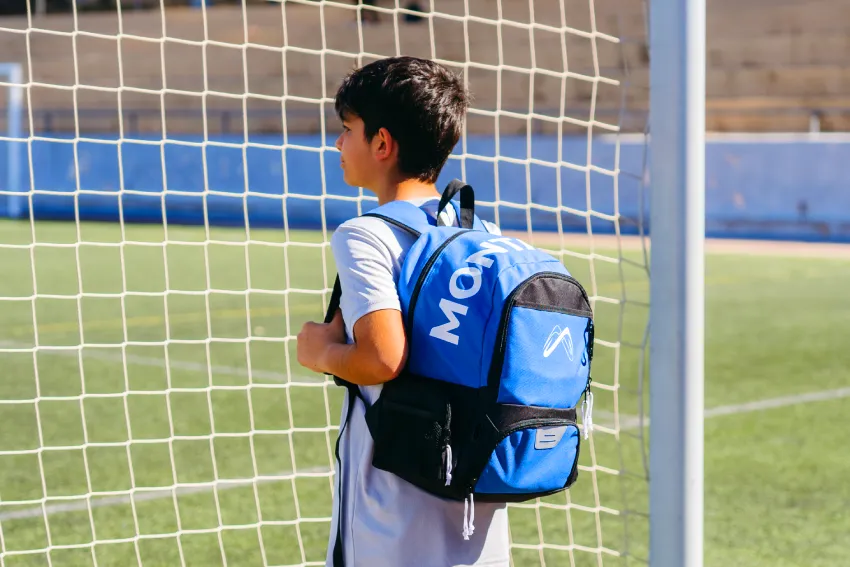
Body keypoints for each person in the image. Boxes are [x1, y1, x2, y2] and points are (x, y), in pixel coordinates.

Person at [296, 56, 510, 567]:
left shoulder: (365, 234)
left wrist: (321, 351)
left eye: (347, 130)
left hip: (391, 525)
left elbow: (383, 358)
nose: (338, 144)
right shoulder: (485, 236)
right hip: (477, 521)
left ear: (383, 144)